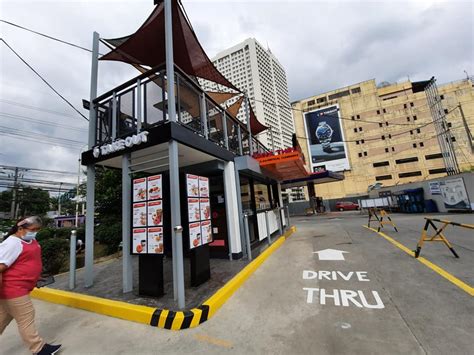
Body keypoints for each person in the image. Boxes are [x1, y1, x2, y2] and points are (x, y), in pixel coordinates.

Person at [0, 216, 62, 355]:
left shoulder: (29, 239)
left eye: (38, 230)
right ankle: (39, 349)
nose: (35, 232)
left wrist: (35, 277)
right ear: (20, 228)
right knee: (26, 319)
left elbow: (26, 262)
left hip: (18, 289)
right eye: (33, 229)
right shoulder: (12, 243)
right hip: (13, 290)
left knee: (2, 319)